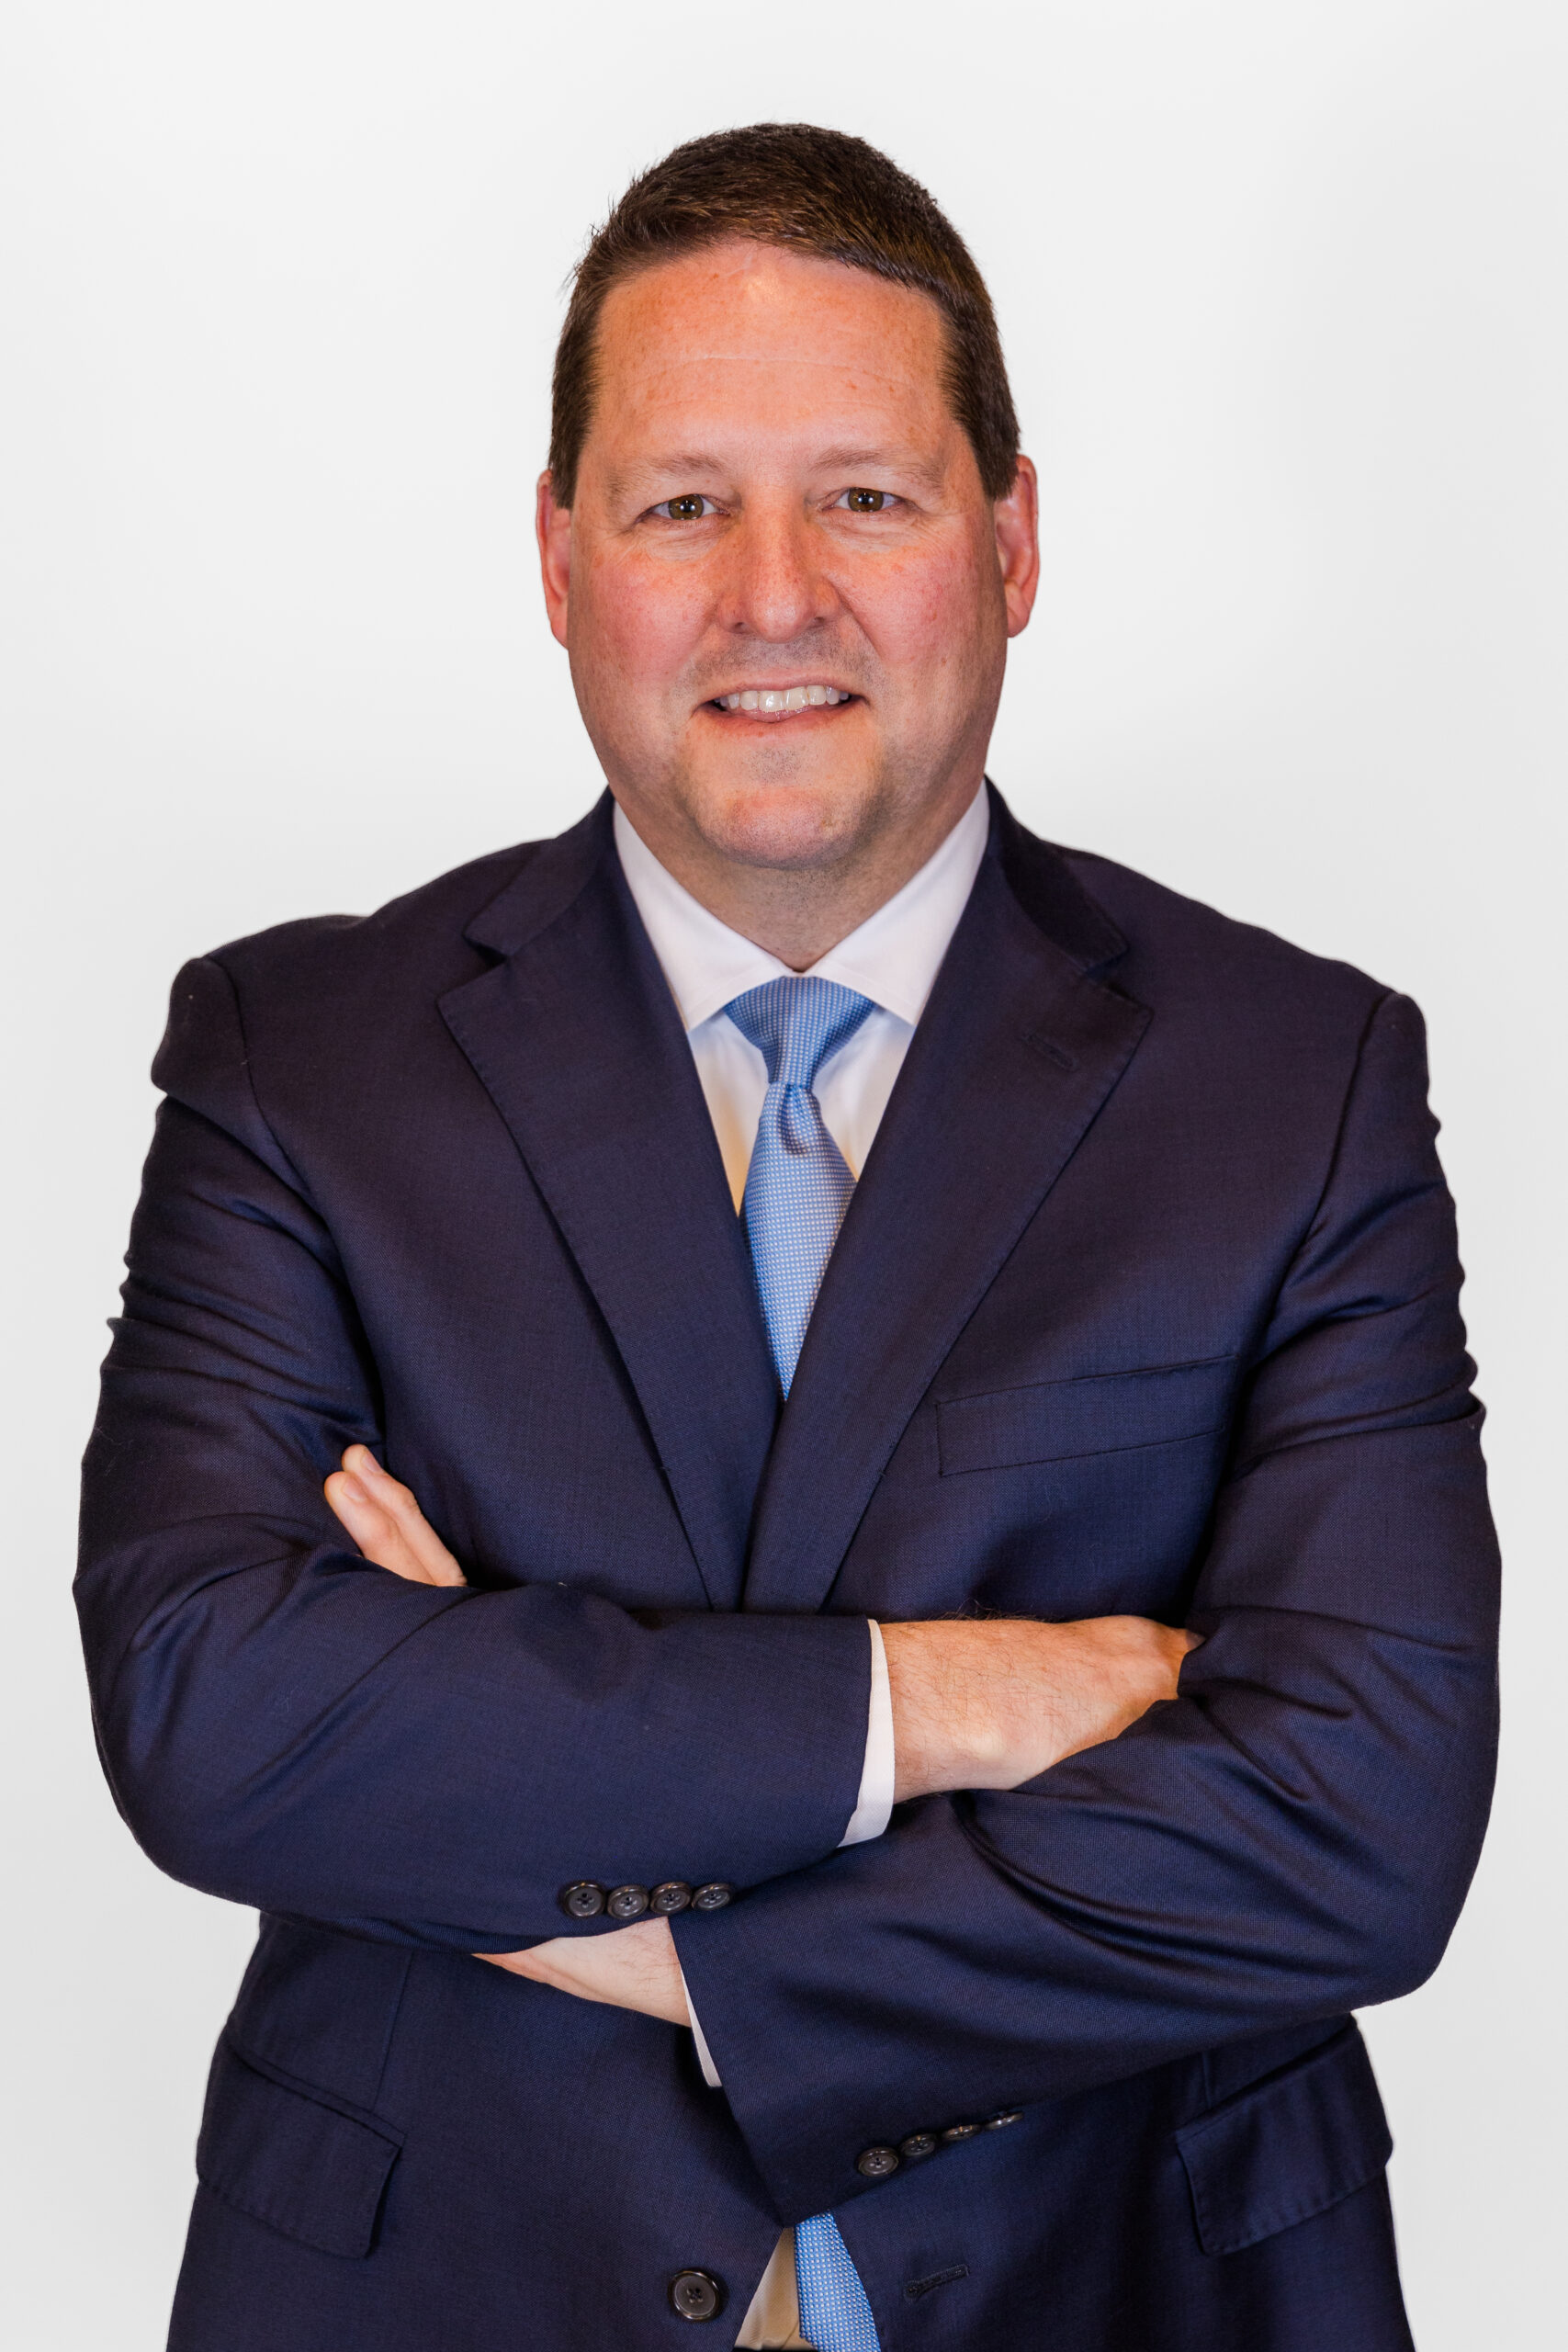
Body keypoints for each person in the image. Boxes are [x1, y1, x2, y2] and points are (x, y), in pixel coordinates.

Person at [76, 123, 1499, 2352]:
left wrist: (634, 1926)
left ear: (1009, 541)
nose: (768, 593)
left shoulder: (1292, 1080)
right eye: (677, 504)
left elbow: (1359, 1818)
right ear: (558, 559)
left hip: (1120, 2286)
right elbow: (213, 1709)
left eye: (862, 493)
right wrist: (950, 1697)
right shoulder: (298, 1059)